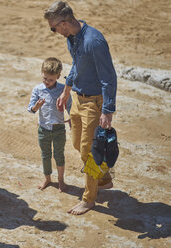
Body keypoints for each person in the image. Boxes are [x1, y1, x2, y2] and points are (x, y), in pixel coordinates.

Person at [44, 1, 117, 215]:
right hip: (77, 97)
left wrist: (108, 110)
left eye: (53, 28)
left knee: (89, 151)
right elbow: (76, 63)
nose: (54, 31)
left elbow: (109, 77)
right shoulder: (72, 38)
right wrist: (67, 89)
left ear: (64, 23)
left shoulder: (94, 42)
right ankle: (103, 177)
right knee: (77, 144)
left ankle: (89, 199)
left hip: (95, 104)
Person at [28, 57, 72, 192]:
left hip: (59, 128)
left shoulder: (63, 90)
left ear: (58, 76)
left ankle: (61, 180)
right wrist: (36, 106)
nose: (47, 82)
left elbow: (70, 106)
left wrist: (71, 118)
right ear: (42, 73)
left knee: (59, 154)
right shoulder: (37, 89)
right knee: (45, 154)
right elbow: (31, 109)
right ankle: (47, 178)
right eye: (45, 78)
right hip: (43, 129)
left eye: (51, 80)